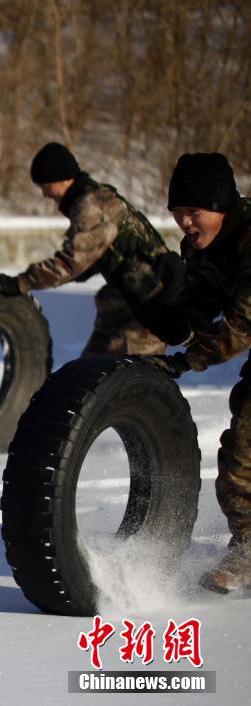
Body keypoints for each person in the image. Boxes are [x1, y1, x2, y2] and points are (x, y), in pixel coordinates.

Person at [0, 142, 183, 356]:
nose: (44, 194)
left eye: (45, 185)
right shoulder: (90, 200)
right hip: (123, 306)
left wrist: (21, 283)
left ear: (64, 178)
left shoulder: (92, 206)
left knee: (132, 374)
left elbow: (73, 261)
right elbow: (91, 260)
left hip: (145, 309)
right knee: (86, 373)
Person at [151, 152, 251, 594]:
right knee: (241, 453)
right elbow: (200, 302)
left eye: (194, 211)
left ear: (221, 205)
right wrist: (174, 324)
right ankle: (247, 549)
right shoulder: (198, 247)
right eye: (178, 212)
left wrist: (186, 360)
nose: (185, 222)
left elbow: (241, 324)